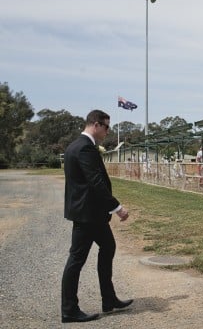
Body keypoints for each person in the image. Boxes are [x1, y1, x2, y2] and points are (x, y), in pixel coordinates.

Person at [61, 110, 133, 323]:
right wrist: (117, 207)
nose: (108, 131)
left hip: (90, 214)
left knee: (108, 246)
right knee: (76, 260)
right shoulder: (85, 148)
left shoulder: (75, 146)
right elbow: (96, 182)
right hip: (88, 215)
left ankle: (109, 299)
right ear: (95, 124)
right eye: (106, 126)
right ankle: (69, 310)